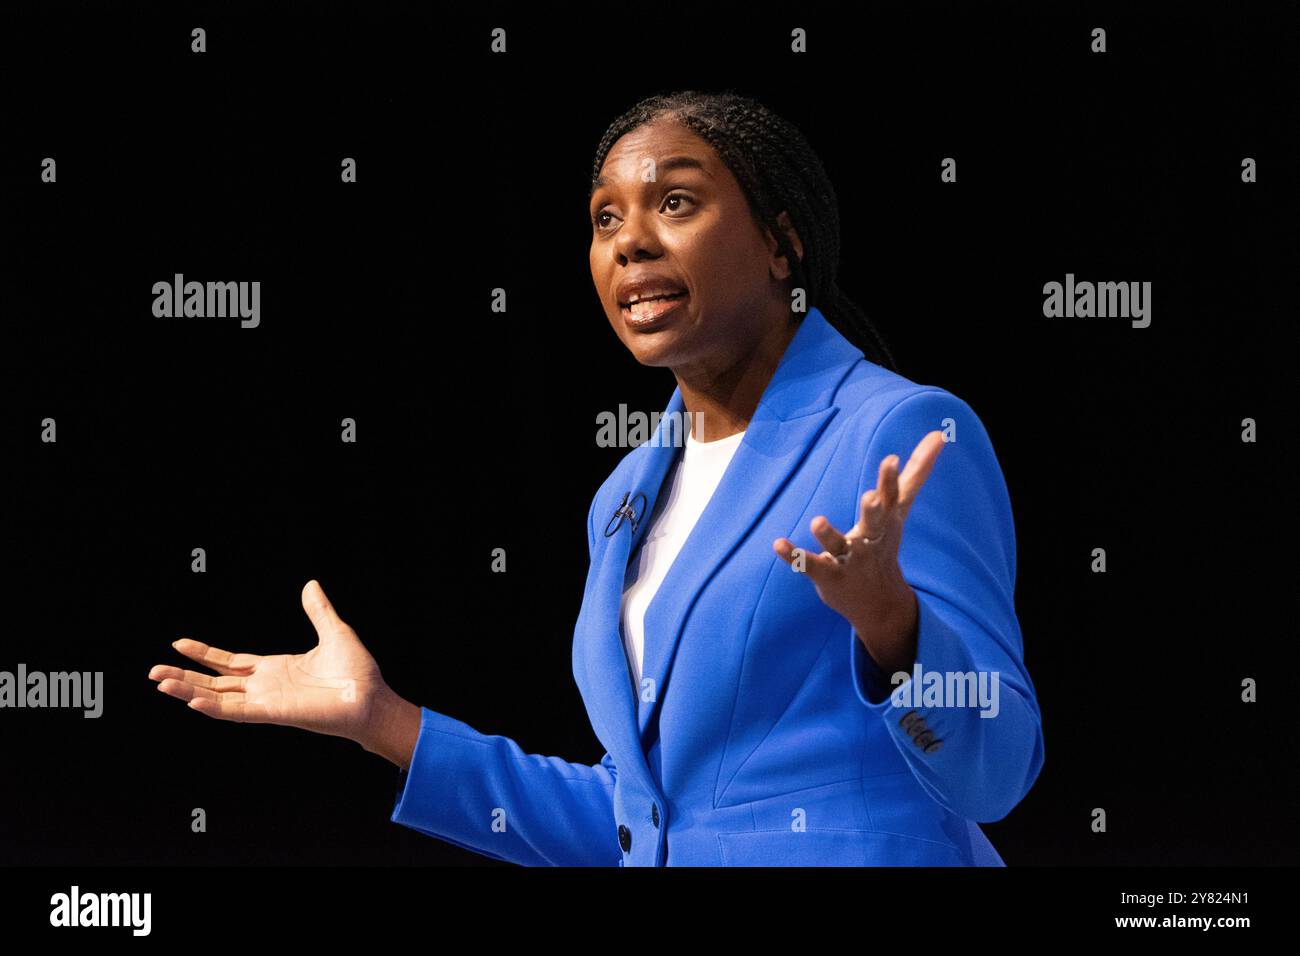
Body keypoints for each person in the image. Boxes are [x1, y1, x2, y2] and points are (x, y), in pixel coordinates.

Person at [148, 90, 1044, 866]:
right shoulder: (623, 500)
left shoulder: (897, 431)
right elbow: (640, 827)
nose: (630, 243)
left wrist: (894, 629)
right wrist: (385, 723)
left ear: (782, 245)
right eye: (605, 219)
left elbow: (996, 771)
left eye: (676, 203)